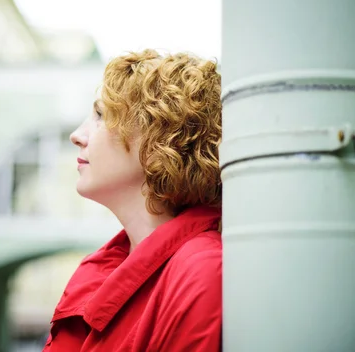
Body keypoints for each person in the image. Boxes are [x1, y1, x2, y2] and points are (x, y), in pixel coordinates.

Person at [43, 49, 222, 352]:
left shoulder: (200, 271)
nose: (77, 135)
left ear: (160, 139)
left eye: (101, 116)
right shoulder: (102, 268)